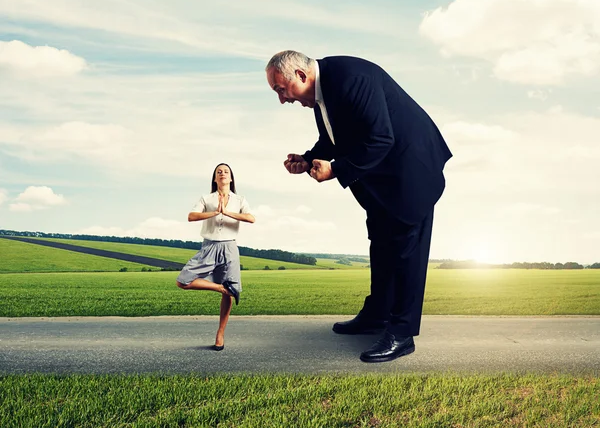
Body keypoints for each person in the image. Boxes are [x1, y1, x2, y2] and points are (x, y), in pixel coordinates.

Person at [266, 50, 452, 363]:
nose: (283, 99)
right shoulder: (324, 93)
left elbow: (380, 138)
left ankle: (402, 334)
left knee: (407, 253)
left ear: (300, 75)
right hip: (380, 180)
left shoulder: (351, 79)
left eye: (282, 90)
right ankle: (377, 314)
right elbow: (334, 138)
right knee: (381, 245)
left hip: (410, 172)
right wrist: (309, 159)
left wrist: (335, 170)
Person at [176, 163, 255, 351]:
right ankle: (221, 287)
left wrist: (227, 212)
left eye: (226, 172)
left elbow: (251, 218)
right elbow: (191, 216)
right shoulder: (206, 198)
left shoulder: (240, 200)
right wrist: (215, 212)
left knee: (231, 291)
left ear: (231, 178)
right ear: (214, 178)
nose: (222, 174)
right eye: (219, 172)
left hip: (229, 247)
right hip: (209, 246)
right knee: (183, 281)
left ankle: (220, 334)